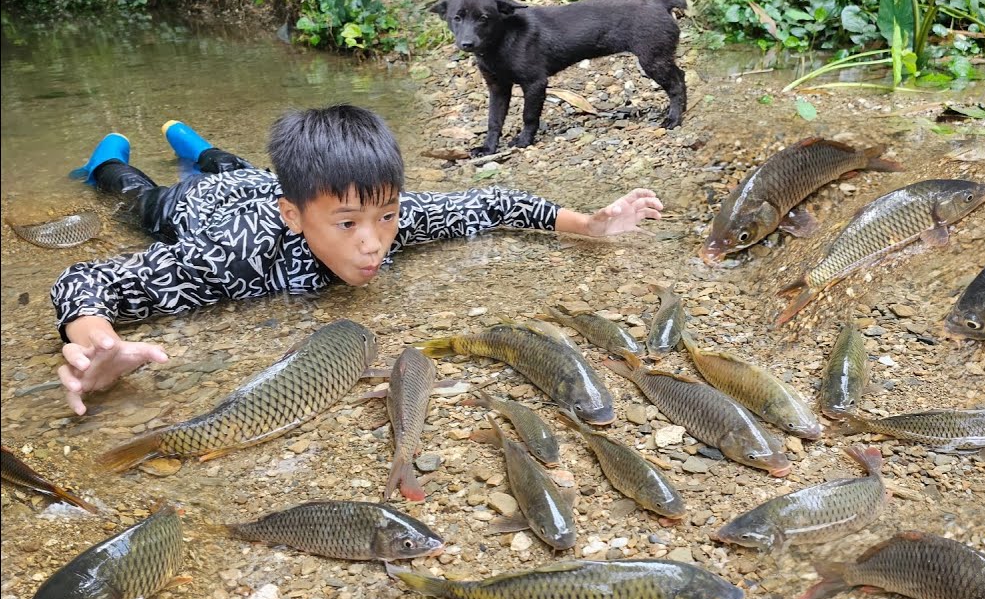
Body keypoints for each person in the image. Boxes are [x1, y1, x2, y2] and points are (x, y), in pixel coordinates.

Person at [54, 104, 663, 415]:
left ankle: (192, 142)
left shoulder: (381, 212)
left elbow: (494, 202)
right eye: (348, 225)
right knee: (138, 196)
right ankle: (109, 157)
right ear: (296, 216)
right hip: (199, 206)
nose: (373, 242)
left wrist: (588, 225)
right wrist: (99, 341)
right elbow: (86, 279)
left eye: (386, 217)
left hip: (263, 181)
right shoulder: (232, 258)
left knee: (234, 165)